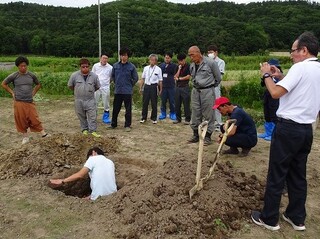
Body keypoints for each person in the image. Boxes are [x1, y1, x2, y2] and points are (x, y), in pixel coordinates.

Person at [251, 32, 320, 231]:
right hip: (306, 129)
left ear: (304, 50)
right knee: (298, 175)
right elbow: (299, 88)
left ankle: (269, 218)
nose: (291, 55)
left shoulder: (300, 68)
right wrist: (280, 76)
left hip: (288, 128)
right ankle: (296, 217)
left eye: (293, 51)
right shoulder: (316, 69)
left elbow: (274, 93)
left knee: (277, 173)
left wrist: (266, 74)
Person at [1, 56, 49, 144]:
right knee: (21, 119)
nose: (23, 67)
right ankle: (25, 137)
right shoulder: (14, 76)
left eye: (24, 66)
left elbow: (38, 85)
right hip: (19, 101)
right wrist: (12, 93)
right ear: (18, 66)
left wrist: (33, 93)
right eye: (21, 66)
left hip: (29, 101)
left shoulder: (31, 75)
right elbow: (3, 84)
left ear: (27, 65)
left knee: (34, 118)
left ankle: (43, 134)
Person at [50, 147, 117, 201]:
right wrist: (91, 196)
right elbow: (103, 181)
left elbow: (80, 175)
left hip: (98, 199)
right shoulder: (110, 162)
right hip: (113, 197)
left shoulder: (92, 158)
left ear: (94, 152)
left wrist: (62, 181)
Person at [187, 46, 221, 146]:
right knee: (195, 112)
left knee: (208, 113)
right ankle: (195, 134)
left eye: (192, 55)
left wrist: (209, 86)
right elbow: (193, 76)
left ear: (198, 53)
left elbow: (218, 78)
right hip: (195, 91)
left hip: (207, 91)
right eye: (189, 55)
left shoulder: (210, 63)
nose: (191, 57)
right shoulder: (192, 65)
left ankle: (207, 136)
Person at [68, 58, 101, 137]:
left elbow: (97, 86)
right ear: (80, 67)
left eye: (87, 66)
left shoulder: (94, 76)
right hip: (78, 100)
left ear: (89, 67)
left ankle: (93, 130)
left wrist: (89, 91)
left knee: (92, 116)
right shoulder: (74, 75)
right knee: (81, 115)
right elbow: (70, 85)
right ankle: (84, 129)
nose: (85, 68)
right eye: (83, 67)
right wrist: (78, 91)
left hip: (90, 99)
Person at [109, 47, 139, 132]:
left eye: (125, 55)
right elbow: (113, 76)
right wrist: (116, 83)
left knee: (128, 109)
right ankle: (113, 124)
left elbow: (135, 78)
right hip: (118, 91)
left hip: (127, 91)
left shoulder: (131, 67)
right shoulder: (115, 66)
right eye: (122, 55)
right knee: (116, 108)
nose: (123, 57)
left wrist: (130, 85)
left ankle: (127, 125)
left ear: (128, 56)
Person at [257, 59, 282, 141]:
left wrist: (272, 77)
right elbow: (263, 84)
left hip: (275, 97)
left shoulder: (279, 75)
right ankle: (268, 132)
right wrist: (265, 76)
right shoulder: (267, 74)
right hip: (267, 94)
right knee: (266, 112)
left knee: (273, 113)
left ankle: (274, 133)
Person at [139, 54, 163, 124]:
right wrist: (140, 87)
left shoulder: (158, 69)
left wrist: (161, 89)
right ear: (149, 60)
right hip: (146, 86)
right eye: (151, 60)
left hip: (154, 87)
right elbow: (143, 78)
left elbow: (160, 80)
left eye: (154, 60)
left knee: (154, 103)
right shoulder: (145, 68)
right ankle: (143, 117)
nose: (152, 61)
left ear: (156, 61)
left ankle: (154, 118)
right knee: (145, 103)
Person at [208, 45, 226, 131]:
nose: (210, 54)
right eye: (208, 52)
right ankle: (211, 122)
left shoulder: (220, 62)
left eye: (211, 52)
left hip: (215, 86)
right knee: (208, 105)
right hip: (207, 87)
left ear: (216, 52)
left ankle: (219, 123)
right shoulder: (207, 62)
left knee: (217, 104)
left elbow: (219, 75)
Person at [92, 53, 113, 124]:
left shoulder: (110, 67)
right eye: (103, 58)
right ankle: (93, 117)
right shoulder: (95, 66)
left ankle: (106, 117)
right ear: (100, 58)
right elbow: (92, 75)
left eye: (106, 58)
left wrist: (107, 83)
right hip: (96, 87)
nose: (105, 60)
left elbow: (111, 78)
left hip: (106, 87)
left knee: (106, 102)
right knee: (95, 101)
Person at [173, 53, 191, 124]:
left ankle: (187, 119)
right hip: (177, 87)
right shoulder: (177, 67)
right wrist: (179, 69)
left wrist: (180, 79)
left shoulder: (188, 66)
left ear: (184, 60)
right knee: (177, 103)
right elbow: (175, 76)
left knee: (186, 104)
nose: (180, 62)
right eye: (179, 61)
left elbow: (188, 76)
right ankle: (178, 119)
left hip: (185, 87)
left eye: (181, 61)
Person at [159, 52, 177, 121]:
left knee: (172, 101)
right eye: (166, 58)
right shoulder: (161, 66)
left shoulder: (174, 66)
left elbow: (176, 75)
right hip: (163, 86)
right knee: (163, 100)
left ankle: (172, 112)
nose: (167, 59)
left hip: (171, 86)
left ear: (171, 58)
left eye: (168, 58)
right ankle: (163, 113)